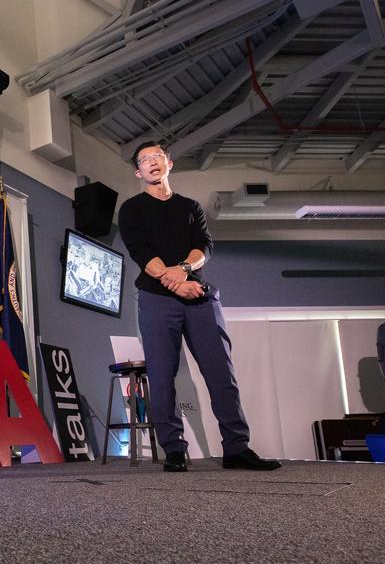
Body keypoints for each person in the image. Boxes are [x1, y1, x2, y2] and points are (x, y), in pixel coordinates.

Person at [117, 140, 278, 472]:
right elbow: (141, 252)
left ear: (169, 164)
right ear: (138, 171)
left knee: (221, 374)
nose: (151, 162)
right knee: (162, 376)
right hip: (157, 298)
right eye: (144, 160)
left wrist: (185, 272)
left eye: (157, 157)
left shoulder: (191, 206)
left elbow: (204, 246)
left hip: (199, 297)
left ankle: (236, 448)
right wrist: (176, 282)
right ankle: (174, 450)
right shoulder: (132, 208)